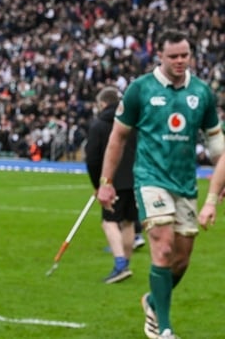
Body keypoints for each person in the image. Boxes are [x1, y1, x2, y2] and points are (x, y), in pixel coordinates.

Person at [97, 30, 224, 339]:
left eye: (185, 55)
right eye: (173, 56)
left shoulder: (202, 93)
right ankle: (163, 329)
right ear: (160, 56)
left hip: (185, 183)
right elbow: (118, 137)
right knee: (163, 246)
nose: (180, 61)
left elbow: (219, 150)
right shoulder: (140, 89)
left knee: (180, 260)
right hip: (150, 179)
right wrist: (106, 181)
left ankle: (153, 301)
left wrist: (213, 196)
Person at [85, 86, 138, 284]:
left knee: (109, 222)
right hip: (135, 179)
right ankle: (126, 263)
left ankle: (120, 265)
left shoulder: (99, 125)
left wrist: (98, 184)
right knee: (128, 222)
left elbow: (92, 158)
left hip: (112, 181)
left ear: (103, 104)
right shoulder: (133, 121)